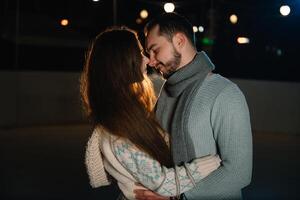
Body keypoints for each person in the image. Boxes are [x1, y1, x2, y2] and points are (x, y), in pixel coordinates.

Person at [81, 26, 222, 200]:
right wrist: (214, 162)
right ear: (122, 61)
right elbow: (162, 182)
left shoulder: (131, 113)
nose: (148, 60)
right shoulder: (116, 133)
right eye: (140, 52)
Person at [135, 12, 253, 200]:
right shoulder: (165, 94)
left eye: (155, 50)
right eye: (148, 53)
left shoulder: (225, 93)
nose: (151, 60)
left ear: (180, 40)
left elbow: (239, 172)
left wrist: (178, 195)